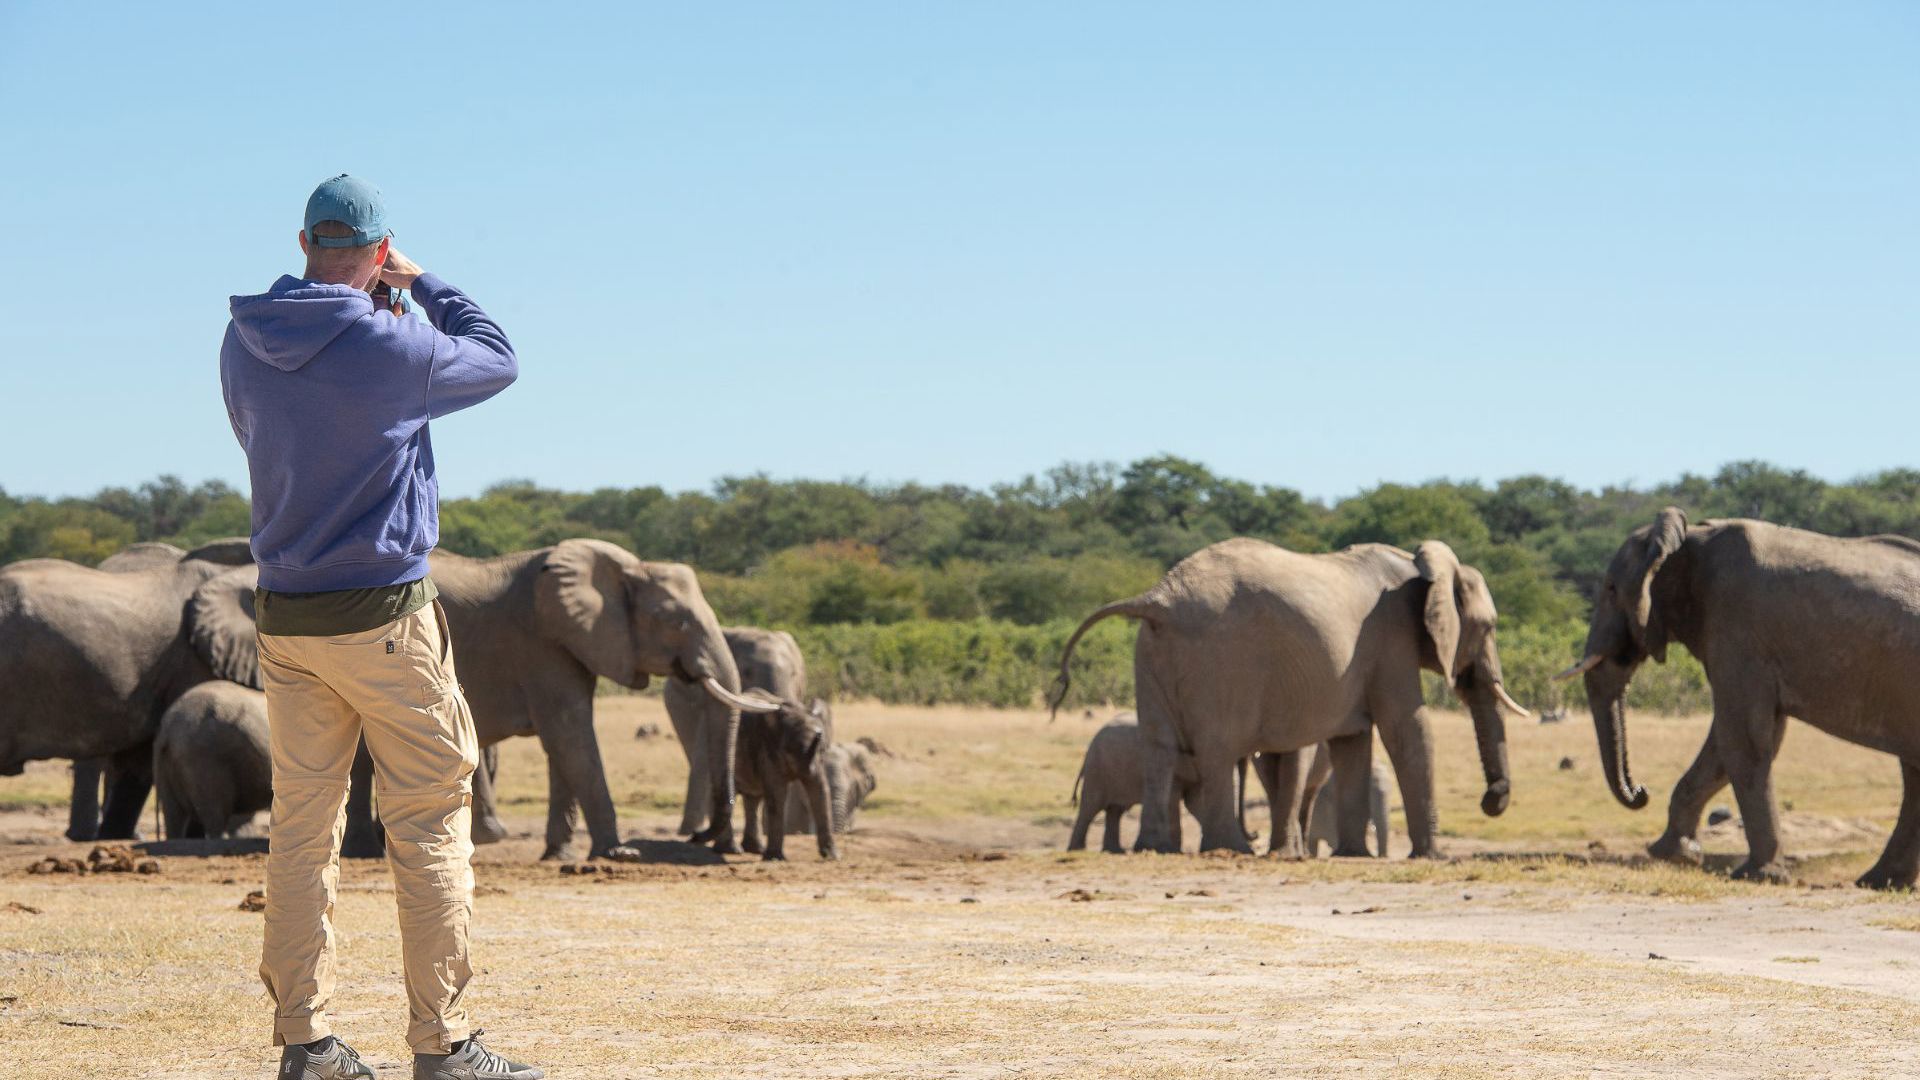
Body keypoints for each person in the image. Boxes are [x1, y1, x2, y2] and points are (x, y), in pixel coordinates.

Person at [220, 174, 543, 1080]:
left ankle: (305, 1040)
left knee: (301, 828)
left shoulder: (241, 340)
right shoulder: (396, 344)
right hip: (389, 620)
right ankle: (441, 1044)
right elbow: (497, 354)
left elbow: (263, 437)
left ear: (301, 243)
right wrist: (423, 283)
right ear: (378, 249)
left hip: (286, 618)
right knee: (430, 820)